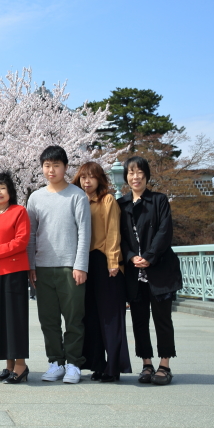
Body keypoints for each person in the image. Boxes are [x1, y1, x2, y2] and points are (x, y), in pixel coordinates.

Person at [27, 145, 91, 384]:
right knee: (48, 318)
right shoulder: (35, 197)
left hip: (70, 266)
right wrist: (30, 265)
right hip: (42, 267)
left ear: (65, 167)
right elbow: (31, 234)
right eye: (46, 165)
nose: (51, 170)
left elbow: (84, 232)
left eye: (56, 165)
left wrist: (81, 265)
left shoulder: (76, 195)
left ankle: (74, 363)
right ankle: (55, 361)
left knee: (74, 317)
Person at [118, 156, 182, 386]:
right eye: (131, 173)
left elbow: (165, 231)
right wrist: (130, 256)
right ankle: (146, 363)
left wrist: (149, 256)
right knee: (139, 320)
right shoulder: (122, 204)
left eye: (139, 172)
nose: (135, 177)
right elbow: (120, 238)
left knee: (162, 319)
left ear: (146, 175)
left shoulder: (159, 200)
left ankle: (165, 364)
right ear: (126, 176)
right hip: (135, 272)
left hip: (160, 270)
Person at [72, 162, 131, 382]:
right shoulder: (77, 200)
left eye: (91, 177)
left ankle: (113, 367)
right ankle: (97, 364)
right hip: (83, 262)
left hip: (105, 261)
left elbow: (113, 232)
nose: (86, 182)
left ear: (99, 179)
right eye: (83, 177)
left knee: (110, 317)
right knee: (92, 317)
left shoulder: (107, 200)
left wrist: (113, 261)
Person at [0, 172, 31, 384]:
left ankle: (21, 365)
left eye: (2, 188)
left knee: (15, 318)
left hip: (13, 272)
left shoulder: (19, 211)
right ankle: (9, 365)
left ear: (10, 191)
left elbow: (22, 241)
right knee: (0, 318)